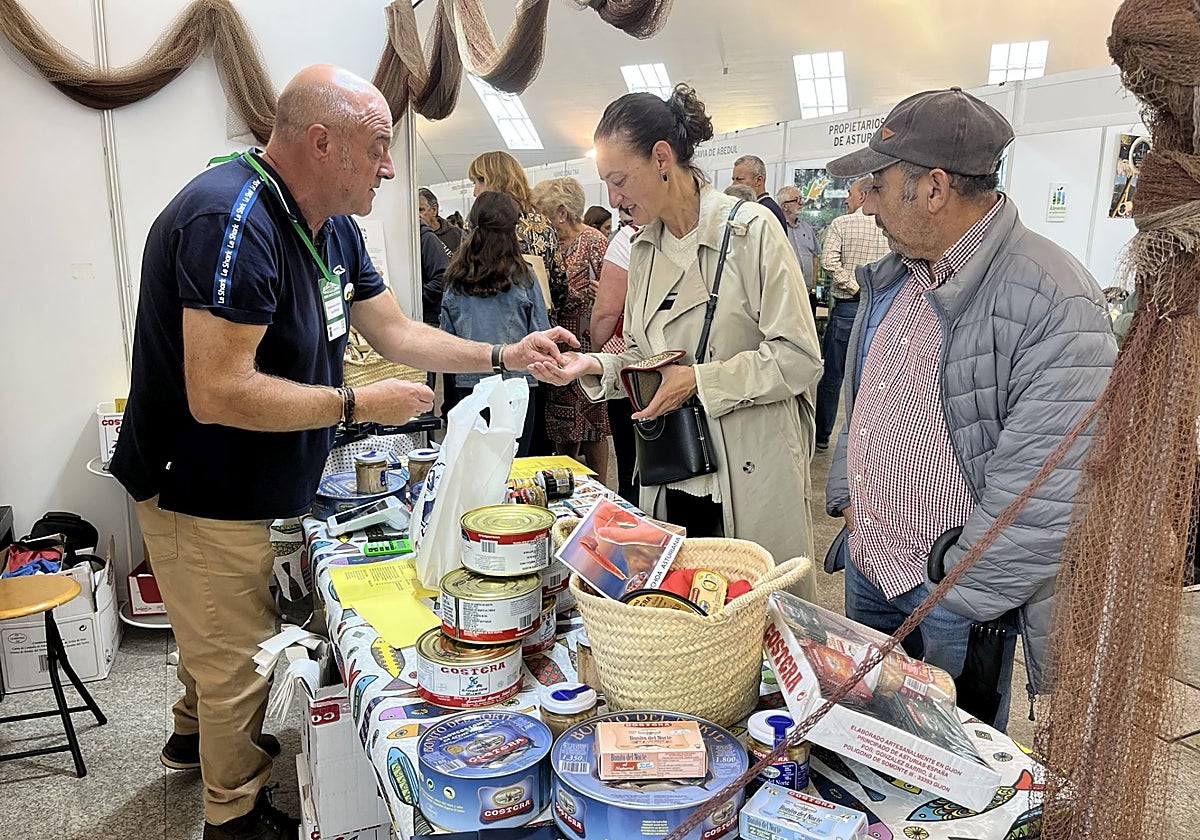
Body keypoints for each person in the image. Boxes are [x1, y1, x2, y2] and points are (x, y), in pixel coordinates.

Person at [108, 65, 575, 840]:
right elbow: (216, 391)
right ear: (322, 144)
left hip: (264, 478)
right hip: (202, 488)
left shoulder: (331, 226)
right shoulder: (232, 219)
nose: (392, 168)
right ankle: (234, 809)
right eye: (379, 147)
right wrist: (358, 404)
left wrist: (506, 357)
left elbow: (395, 332)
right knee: (234, 656)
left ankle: (190, 734)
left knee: (214, 630)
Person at [823, 87, 1117, 731]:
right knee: (866, 746)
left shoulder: (1054, 299)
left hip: (949, 597)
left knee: (945, 773)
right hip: (871, 565)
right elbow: (864, 396)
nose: (865, 204)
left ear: (932, 188)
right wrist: (851, 495)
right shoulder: (901, 272)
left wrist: (953, 590)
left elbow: (1046, 495)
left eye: (878, 184)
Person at [531, 84, 822, 596]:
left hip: (748, 470)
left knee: (755, 621)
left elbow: (799, 358)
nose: (613, 199)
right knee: (683, 617)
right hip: (673, 470)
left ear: (662, 158)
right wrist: (592, 367)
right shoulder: (641, 248)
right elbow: (648, 360)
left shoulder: (752, 233)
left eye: (619, 181)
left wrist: (699, 381)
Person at [469, 150, 565, 455]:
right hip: (533, 347)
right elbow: (560, 283)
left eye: (479, 180)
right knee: (527, 441)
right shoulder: (542, 225)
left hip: (482, 355)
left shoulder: (483, 224)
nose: (475, 189)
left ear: (494, 180)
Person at [440, 191, 551, 455]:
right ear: (513, 229)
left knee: (473, 466)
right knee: (514, 465)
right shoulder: (525, 277)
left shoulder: (455, 279)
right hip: (518, 386)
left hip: (469, 386)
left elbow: (446, 340)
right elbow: (542, 334)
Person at [532, 177, 613, 480]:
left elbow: (616, 292)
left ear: (561, 212)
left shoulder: (594, 242)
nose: (541, 220)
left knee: (593, 425)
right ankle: (570, 486)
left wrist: (604, 291)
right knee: (563, 425)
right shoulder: (548, 244)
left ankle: (602, 488)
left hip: (588, 344)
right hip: (557, 344)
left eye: (545, 213)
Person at [813, 176, 890, 449]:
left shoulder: (843, 224)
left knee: (833, 375)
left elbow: (828, 260)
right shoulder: (888, 226)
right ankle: (863, 441)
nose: (845, 199)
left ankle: (821, 436)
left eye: (849, 193)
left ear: (861, 196)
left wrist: (854, 286)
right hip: (881, 309)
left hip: (848, 307)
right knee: (872, 378)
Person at [591, 207, 640, 502]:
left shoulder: (627, 239)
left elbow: (606, 313)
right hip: (681, 361)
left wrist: (598, 353)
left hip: (631, 359)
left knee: (630, 459)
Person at [775, 184, 820, 311]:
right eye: (797, 200)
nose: (802, 203)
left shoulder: (807, 228)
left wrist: (814, 288)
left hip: (807, 294)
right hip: (785, 294)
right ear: (785, 206)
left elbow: (814, 258)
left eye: (801, 199)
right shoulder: (776, 229)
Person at [731, 154, 788, 231]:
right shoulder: (755, 206)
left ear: (758, 180)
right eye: (733, 179)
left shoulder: (768, 210)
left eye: (740, 179)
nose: (734, 185)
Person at [417, 209, 449, 326]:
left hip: (429, 318)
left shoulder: (427, 238)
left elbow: (442, 278)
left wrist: (417, 298)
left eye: (421, 209)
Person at [418, 187, 464, 255]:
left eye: (421, 210)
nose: (417, 215)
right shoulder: (415, 238)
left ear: (434, 210)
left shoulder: (458, 235)